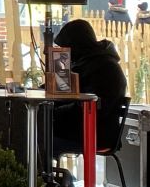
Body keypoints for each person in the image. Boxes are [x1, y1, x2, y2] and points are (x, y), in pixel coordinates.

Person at [51, 18, 126, 156]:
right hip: (79, 128)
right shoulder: (87, 62)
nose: (64, 53)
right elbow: (60, 91)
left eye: (66, 48)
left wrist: (54, 112)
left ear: (75, 45)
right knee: (34, 134)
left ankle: (48, 176)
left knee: (35, 140)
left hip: (95, 132)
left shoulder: (106, 68)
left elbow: (94, 107)